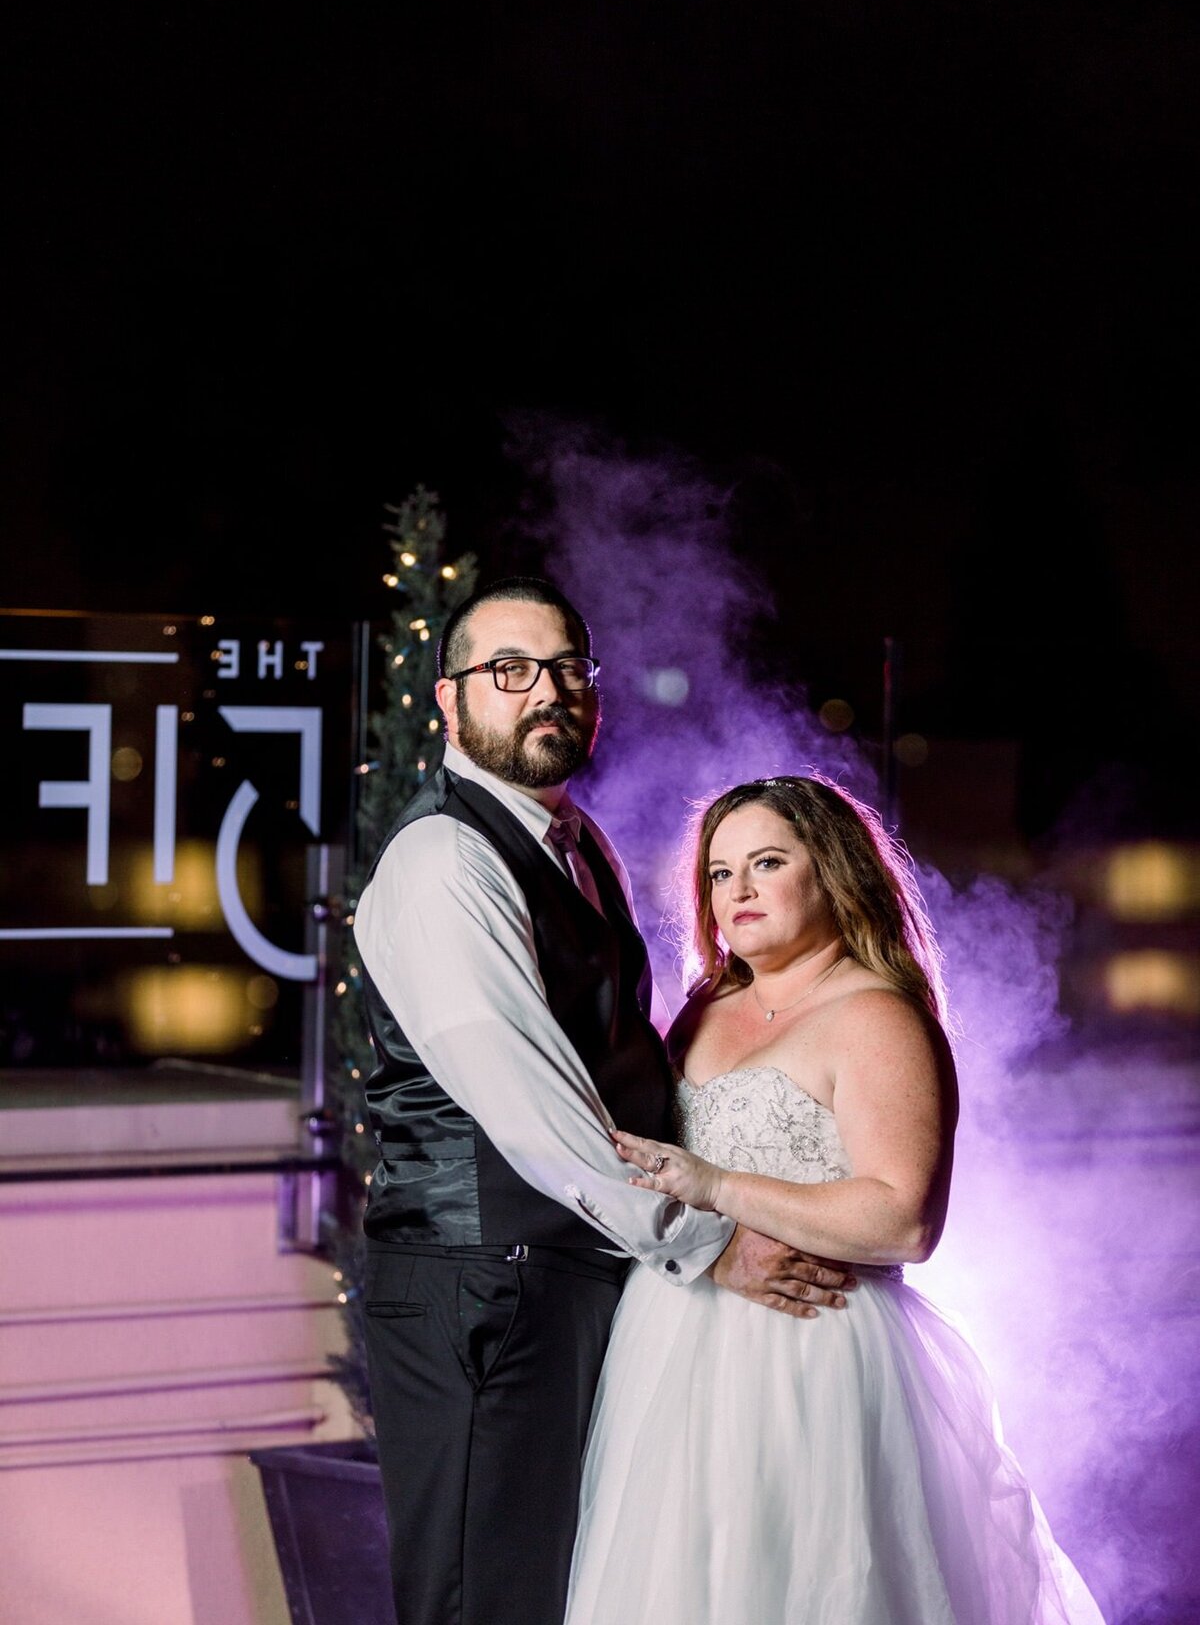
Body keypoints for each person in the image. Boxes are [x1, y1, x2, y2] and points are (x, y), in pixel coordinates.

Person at [351, 582, 856, 1625]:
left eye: (568, 670)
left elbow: (623, 1055)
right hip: (482, 1285)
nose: (546, 692)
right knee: (483, 1600)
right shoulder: (445, 858)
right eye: (510, 671)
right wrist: (705, 1241)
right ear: (449, 701)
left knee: (567, 1592)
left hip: (569, 1276)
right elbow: (530, 1099)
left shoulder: (575, 845)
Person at [565, 773, 1107, 1625]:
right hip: (672, 1347)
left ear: (832, 873)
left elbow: (904, 1220)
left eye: (767, 863)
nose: (736, 891)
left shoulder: (877, 1015)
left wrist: (715, 1186)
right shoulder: (706, 1008)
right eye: (718, 872)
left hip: (812, 1352)